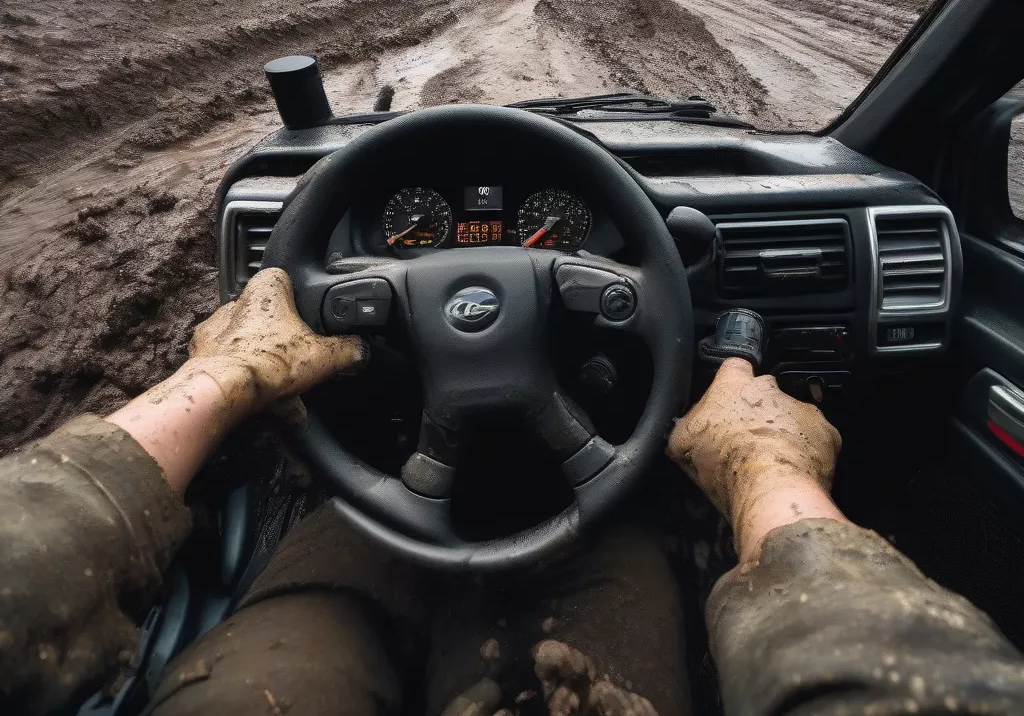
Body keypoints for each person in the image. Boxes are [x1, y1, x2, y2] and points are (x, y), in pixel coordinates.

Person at [1, 270, 1023, 716]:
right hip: (596, 520)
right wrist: (764, 468)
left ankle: (362, 581)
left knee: (314, 600)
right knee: (595, 617)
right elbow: (884, 681)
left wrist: (224, 377)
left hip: (342, 560)